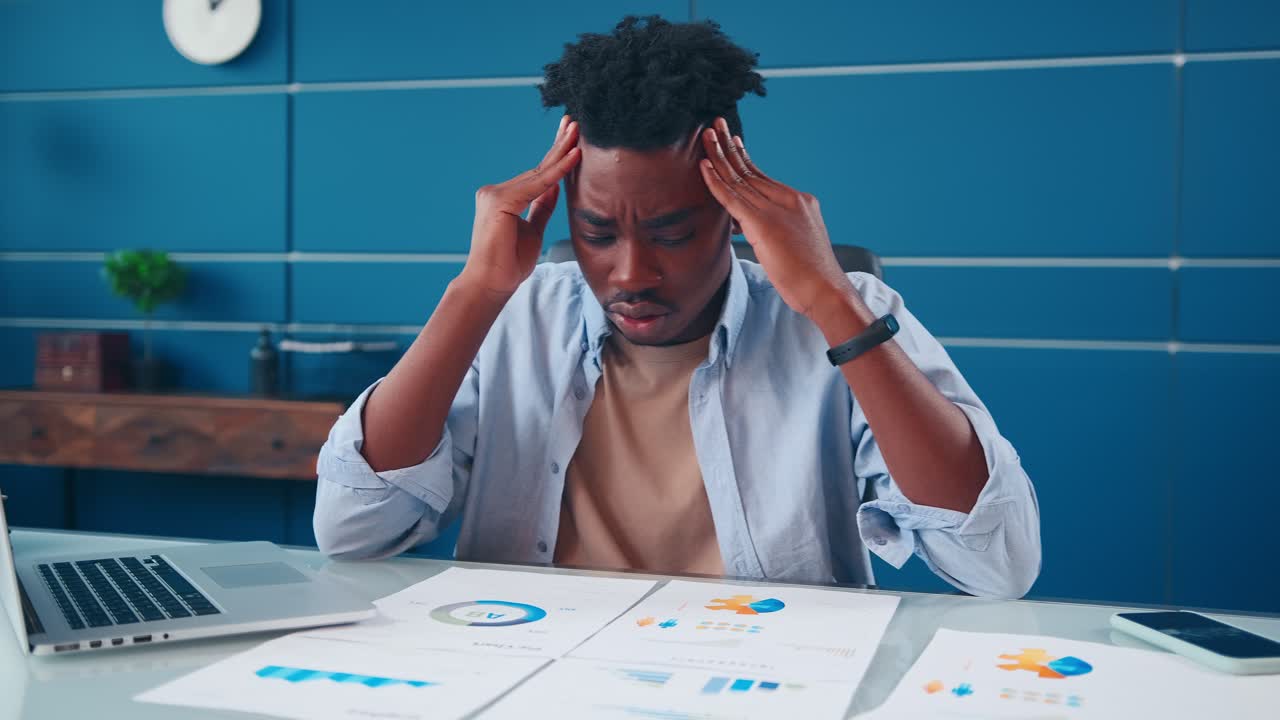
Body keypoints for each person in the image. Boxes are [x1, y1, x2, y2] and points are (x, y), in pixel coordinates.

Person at [313, 16, 1040, 598]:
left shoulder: (851, 313)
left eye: (671, 233)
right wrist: (476, 293)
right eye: (597, 232)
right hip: (536, 672)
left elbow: (999, 565)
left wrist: (831, 302)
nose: (631, 273)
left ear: (735, 211)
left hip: (766, 683)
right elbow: (352, 529)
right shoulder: (515, 316)